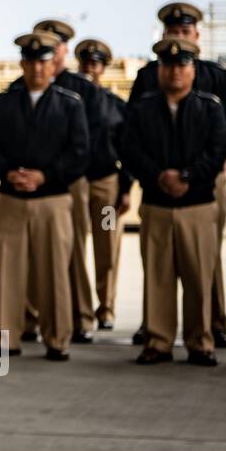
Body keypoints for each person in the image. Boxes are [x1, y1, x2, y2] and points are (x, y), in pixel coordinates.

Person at [128, 3, 226, 348]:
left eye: (185, 34)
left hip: (205, 184)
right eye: (172, 34)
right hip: (159, 189)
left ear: (197, 37)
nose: (176, 66)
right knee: (159, 270)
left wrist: (194, 174)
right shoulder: (148, 77)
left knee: (204, 260)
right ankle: (156, 332)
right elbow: (131, 137)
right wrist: (158, 176)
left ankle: (212, 325)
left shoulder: (215, 77)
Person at [0, 33, 89, 360]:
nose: (38, 68)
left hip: (53, 199)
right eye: (31, 61)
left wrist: (46, 175)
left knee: (55, 270)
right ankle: (7, 339)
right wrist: (8, 173)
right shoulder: (3, 103)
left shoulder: (70, 104)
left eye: (44, 61)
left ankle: (57, 339)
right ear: (23, 64)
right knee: (8, 271)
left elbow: (80, 153)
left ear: (53, 63)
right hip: (11, 199)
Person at [23, 20, 102, 344]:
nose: (49, 55)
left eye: (55, 46)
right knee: (28, 255)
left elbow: (90, 138)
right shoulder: (21, 87)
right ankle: (30, 317)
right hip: (29, 185)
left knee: (73, 251)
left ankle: (81, 317)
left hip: (71, 180)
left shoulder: (81, 88)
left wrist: (57, 170)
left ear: (63, 51)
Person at [74, 38, 131, 330]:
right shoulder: (70, 101)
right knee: (74, 247)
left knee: (107, 246)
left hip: (106, 185)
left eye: (95, 64)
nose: (90, 68)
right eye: (85, 63)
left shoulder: (115, 105)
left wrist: (126, 188)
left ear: (103, 69)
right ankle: (79, 309)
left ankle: (106, 307)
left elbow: (128, 148)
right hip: (76, 184)